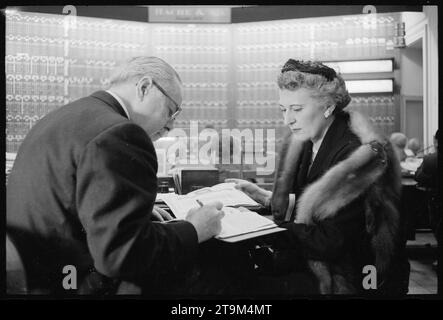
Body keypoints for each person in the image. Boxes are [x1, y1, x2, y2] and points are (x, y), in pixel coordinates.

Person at [6, 56, 225, 295]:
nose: (171, 125)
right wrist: (194, 228)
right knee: (215, 271)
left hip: (41, 275)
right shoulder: (120, 133)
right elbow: (122, 255)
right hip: (76, 281)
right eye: (171, 111)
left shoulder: (61, 117)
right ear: (144, 87)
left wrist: (128, 210)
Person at [228, 59, 409, 295]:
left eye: (297, 109)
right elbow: (313, 206)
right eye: (283, 109)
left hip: (350, 277)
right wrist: (265, 198)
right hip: (316, 262)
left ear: (328, 106)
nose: (287, 120)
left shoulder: (357, 155)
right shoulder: (308, 142)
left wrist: (266, 227)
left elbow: (331, 241)